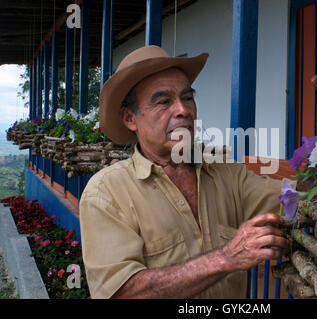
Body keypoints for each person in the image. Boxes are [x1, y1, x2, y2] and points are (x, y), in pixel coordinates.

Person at [79, 45, 294, 299]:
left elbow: (292, 200)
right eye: (163, 101)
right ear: (130, 119)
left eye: (188, 97)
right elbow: (123, 293)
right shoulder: (107, 193)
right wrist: (226, 258)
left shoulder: (227, 174)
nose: (183, 110)